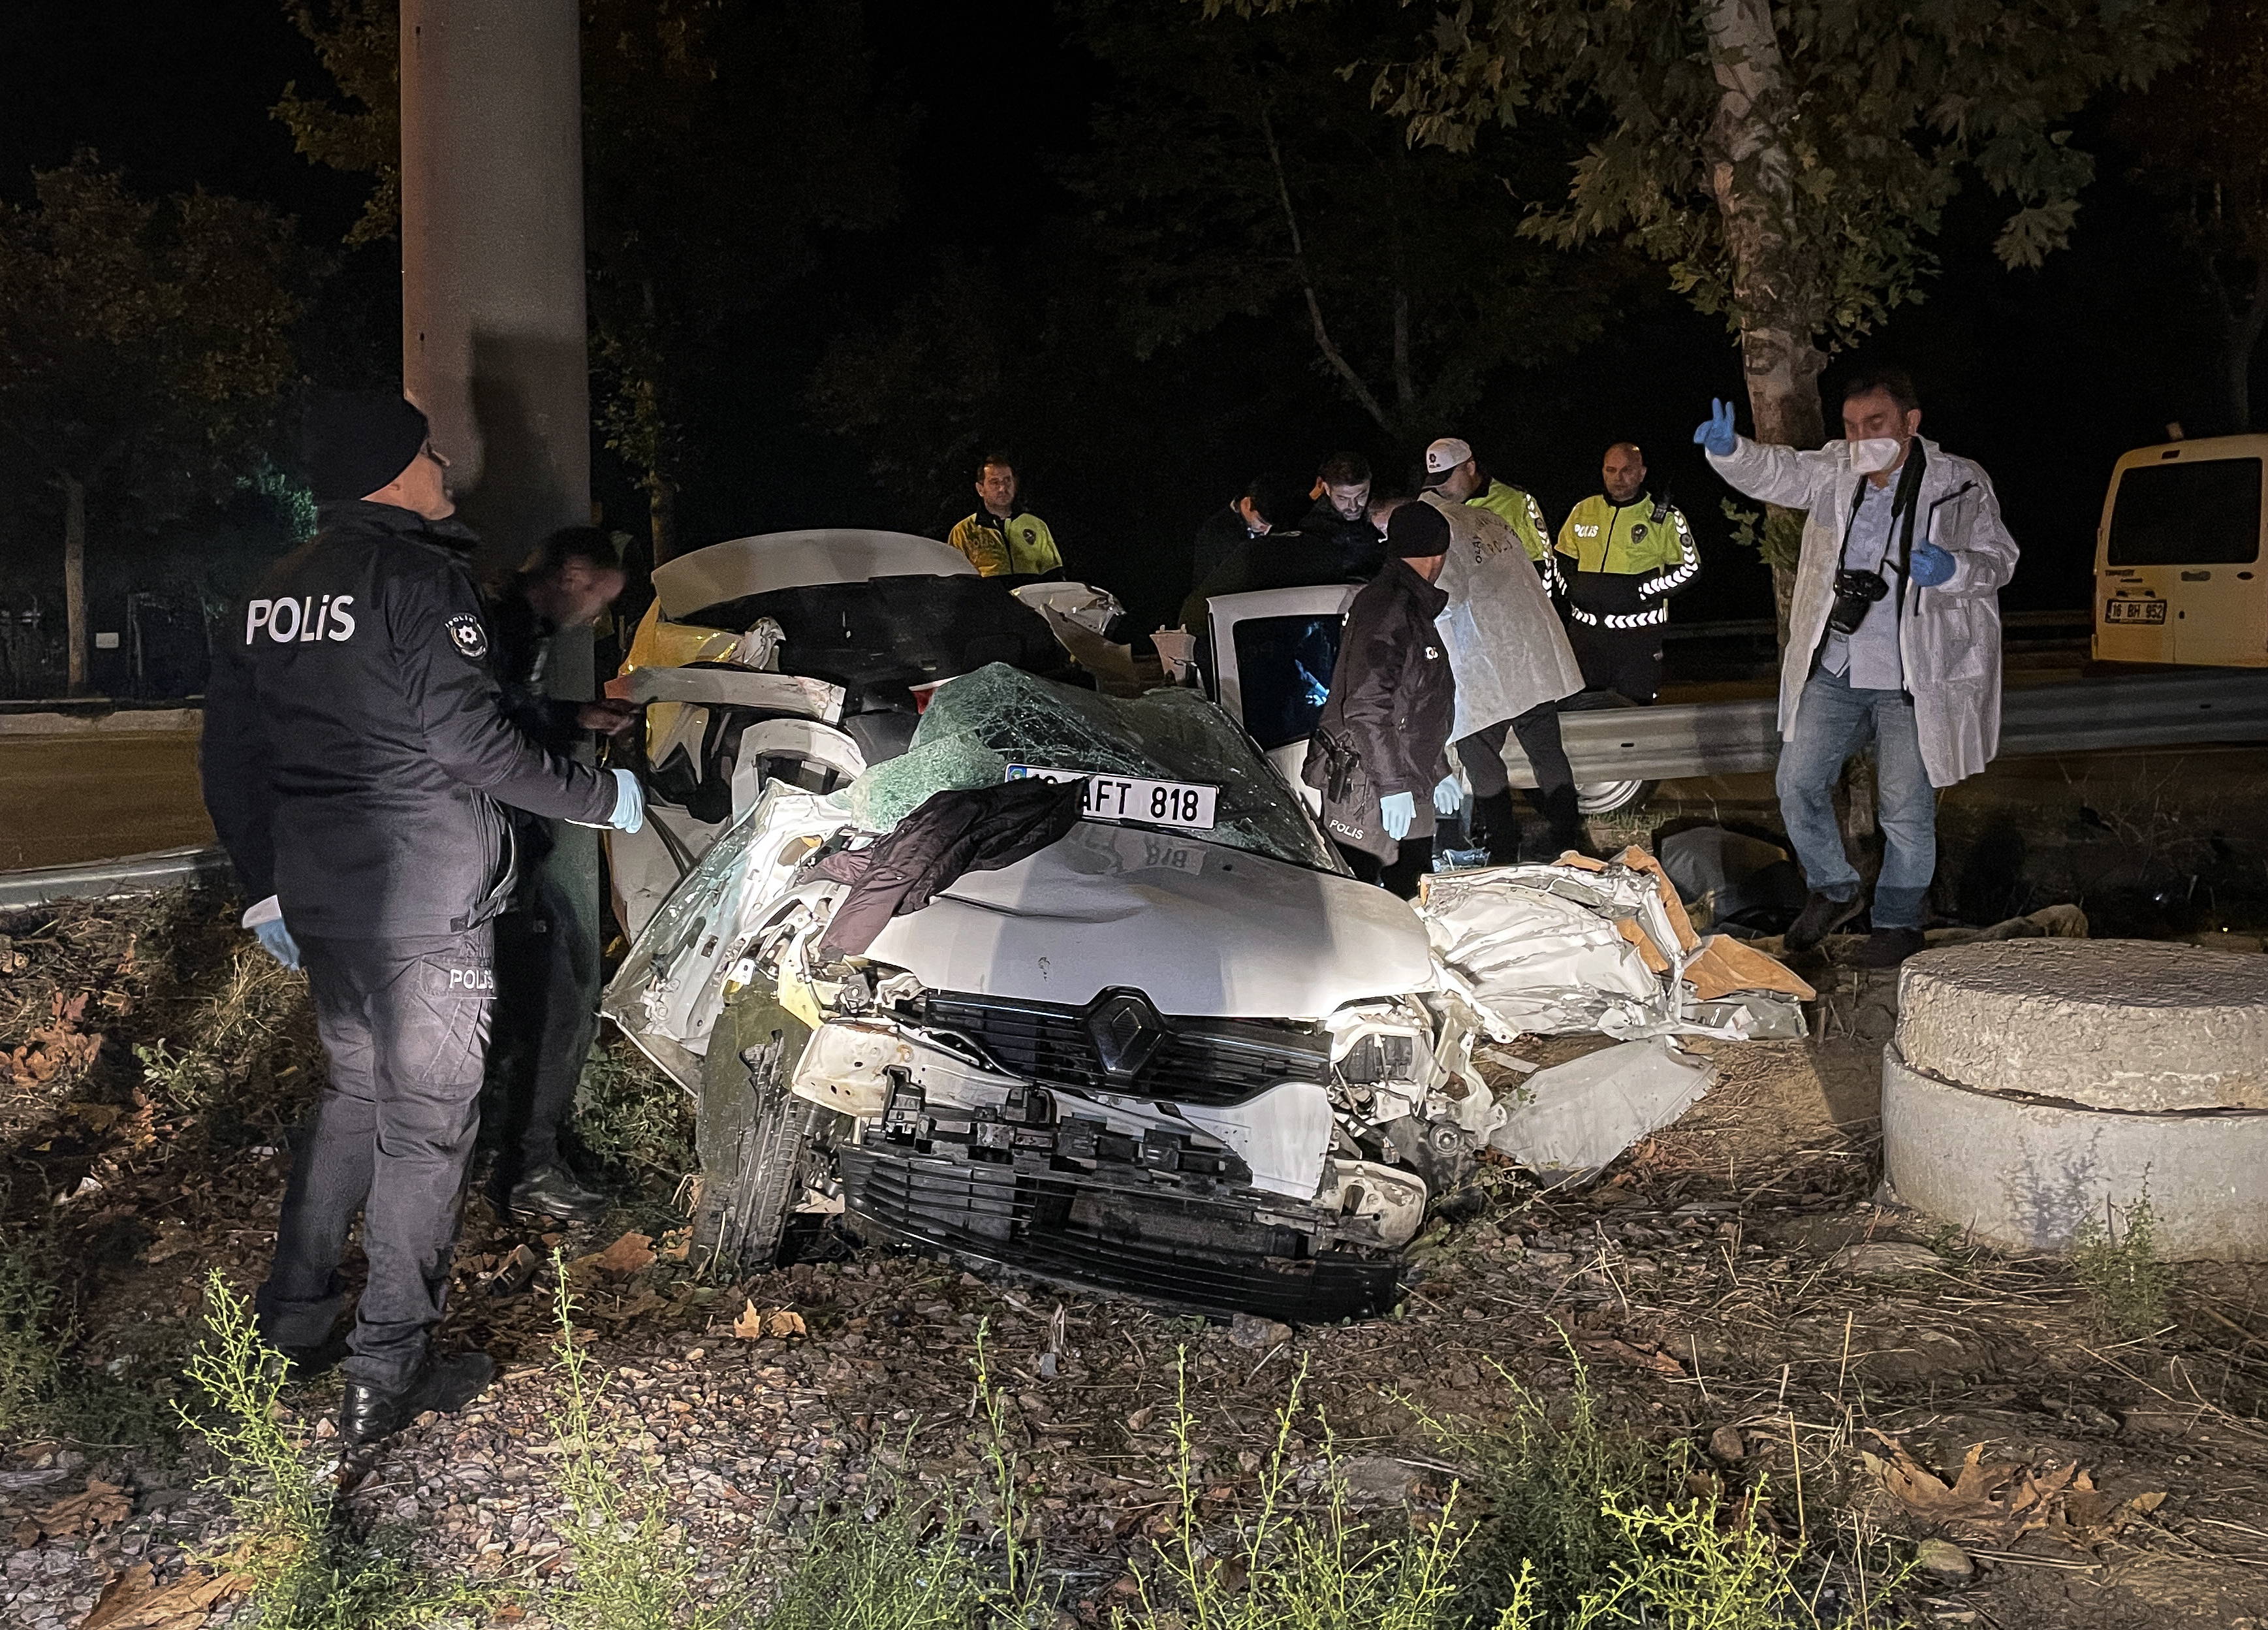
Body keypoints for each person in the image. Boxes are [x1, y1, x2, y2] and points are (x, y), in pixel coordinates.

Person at [200, 389, 645, 1449]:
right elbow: (469, 746)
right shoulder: (417, 578)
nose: (445, 465)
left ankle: (290, 1324)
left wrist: (265, 886)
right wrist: (602, 797)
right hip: (425, 899)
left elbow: (231, 754)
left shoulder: (274, 591)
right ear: (393, 471)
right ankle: (389, 1369)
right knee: (427, 1130)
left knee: (353, 1098)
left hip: (324, 897)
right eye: (430, 452)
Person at [1695, 366, 2018, 965]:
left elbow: (1999, 558)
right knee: (1797, 783)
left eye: (1875, 423)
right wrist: (1731, 451)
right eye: (1850, 425)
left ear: (1910, 422)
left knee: (1905, 811)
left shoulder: (1958, 481)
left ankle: (1898, 924)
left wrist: (1954, 570)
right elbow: (1778, 472)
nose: (1861, 437)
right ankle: (1834, 888)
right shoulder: (1835, 470)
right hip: (1839, 665)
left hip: (1911, 676)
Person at [483, 527, 638, 1226]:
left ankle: (509, 1158)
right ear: (575, 575)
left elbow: (514, 716)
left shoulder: (515, 623)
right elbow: (490, 740)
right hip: (494, 858)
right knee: (561, 999)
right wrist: (597, 795)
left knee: (557, 992)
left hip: (503, 854)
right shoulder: (500, 626)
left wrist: (577, 718)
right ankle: (526, 1170)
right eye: (601, 598)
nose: (598, 617)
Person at [1419, 458, 1592, 864]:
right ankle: (1567, 837)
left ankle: (1502, 845)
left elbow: (1447, 599)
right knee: (1547, 751)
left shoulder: (1440, 530)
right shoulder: (1490, 520)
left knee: (1479, 755)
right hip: (1528, 658)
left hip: (1481, 665)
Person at [1302, 502, 1460, 897]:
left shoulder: (1411, 606)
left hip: (1406, 778)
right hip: (1368, 781)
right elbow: (1366, 707)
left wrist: (1438, 769)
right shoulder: (1388, 607)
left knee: (1413, 889)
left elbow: (1415, 706)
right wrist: (1392, 787)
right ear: (1438, 556)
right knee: (1355, 895)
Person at [1554, 442, 1699, 705]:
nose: (1618, 478)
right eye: (1611, 470)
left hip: (1638, 635)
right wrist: (1573, 589)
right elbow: (1562, 558)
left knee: (1635, 709)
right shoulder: (1583, 510)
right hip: (1586, 634)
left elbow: (1690, 568)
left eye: (1627, 471)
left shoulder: (1664, 517)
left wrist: (1644, 590)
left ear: (1642, 473)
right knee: (1581, 708)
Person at [1422, 438, 1560, 591]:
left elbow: (1542, 562)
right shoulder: (1434, 508)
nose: (1441, 487)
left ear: (1470, 468)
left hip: (1511, 597)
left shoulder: (1516, 502)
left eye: (1447, 478)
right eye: (1435, 480)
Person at [946, 454, 1062, 577]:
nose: (1002, 488)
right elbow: (954, 578)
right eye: (995, 482)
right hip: (988, 590)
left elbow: (1054, 574)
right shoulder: (964, 531)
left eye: (1007, 481)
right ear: (980, 489)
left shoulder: (1036, 525)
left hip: (1031, 590)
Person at [1191, 472, 1306, 585]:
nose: (1266, 530)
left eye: (1270, 526)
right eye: (1262, 523)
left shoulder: (1277, 520)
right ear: (1248, 504)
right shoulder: (1215, 534)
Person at [1299, 451, 1386, 579]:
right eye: (1343, 498)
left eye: (1361, 496)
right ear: (1327, 489)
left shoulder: (1382, 511)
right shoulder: (1313, 529)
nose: (1353, 506)